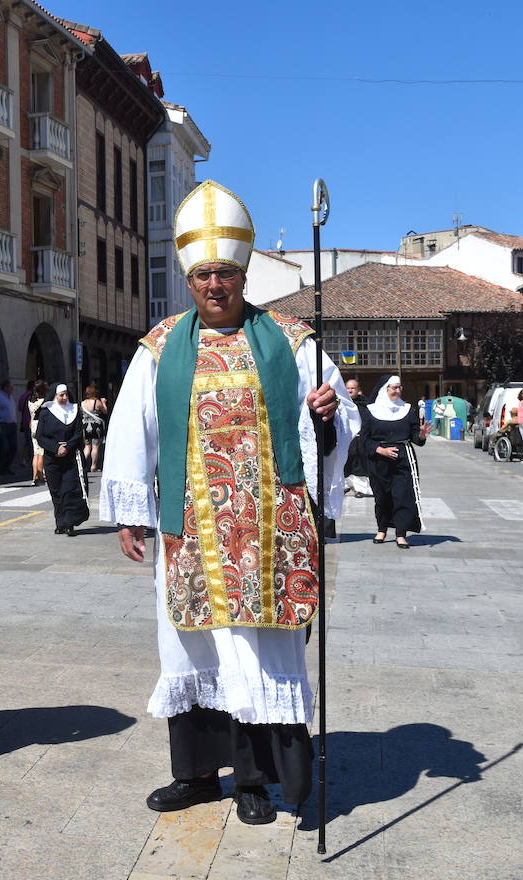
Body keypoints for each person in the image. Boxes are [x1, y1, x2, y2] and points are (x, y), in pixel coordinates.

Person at [100, 179, 358, 826]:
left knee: (257, 649)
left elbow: (336, 420)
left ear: (244, 275)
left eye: (226, 274)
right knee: (192, 649)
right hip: (191, 530)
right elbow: (133, 429)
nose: (215, 285)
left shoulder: (292, 341)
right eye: (203, 275)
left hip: (270, 530)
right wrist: (131, 512)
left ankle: (253, 781)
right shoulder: (161, 347)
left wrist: (327, 414)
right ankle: (192, 775)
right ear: (189, 280)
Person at [359, 375, 428, 549]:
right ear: (385, 389)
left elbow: (415, 437)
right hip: (378, 460)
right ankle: (382, 529)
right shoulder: (370, 411)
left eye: (399, 388)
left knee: (402, 496)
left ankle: (401, 533)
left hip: (403, 459)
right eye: (394, 388)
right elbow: (363, 439)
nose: (398, 391)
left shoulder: (408, 410)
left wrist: (421, 436)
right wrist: (380, 450)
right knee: (382, 497)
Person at [34, 384, 89, 536]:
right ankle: (60, 523)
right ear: (55, 396)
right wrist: (55, 448)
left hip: (70, 457)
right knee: (56, 491)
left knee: (69, 490)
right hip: (52, 458)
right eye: (61, 395)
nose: (64, 398)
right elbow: (40, 436)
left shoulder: (74, 410)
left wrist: (67, 447)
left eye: (66, 395)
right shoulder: (46, 413)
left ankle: (70, 523)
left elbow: (78, 433)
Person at [342, 378, 373, 499]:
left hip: (360, 439)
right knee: (344, 462)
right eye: (348, 388)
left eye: (352, 388)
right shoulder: (340, 402)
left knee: (359, 464)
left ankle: (360, 488)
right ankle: (345, 485)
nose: (350, 390)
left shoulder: (365, 404)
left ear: (358, 390)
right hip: (345, 438)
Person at [79, 385, 109, 473]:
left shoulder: (82, 403)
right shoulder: (97, 402)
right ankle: (93, 466)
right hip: (96, 426)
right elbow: (105, 411)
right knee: (95, 447)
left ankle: (82, 465)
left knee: (87, 446)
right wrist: (103, 402)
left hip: (85, 426)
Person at [0, 381, 18, 476]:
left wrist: (15, 422)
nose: (12, 389)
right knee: (2, 448)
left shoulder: (10, 397)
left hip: (12, 425)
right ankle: (0, 469)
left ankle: (7, 467)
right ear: (5, 387)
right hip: (2, 424)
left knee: (13, 447)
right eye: (11, 387)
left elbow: (12, 411)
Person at [27, 380, 48, 485]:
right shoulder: (44, 402)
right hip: (41, 427)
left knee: (36, 453)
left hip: (33, 426)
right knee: (41, 453)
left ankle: (34, 476)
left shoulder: (30, 401)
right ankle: (40, 477)